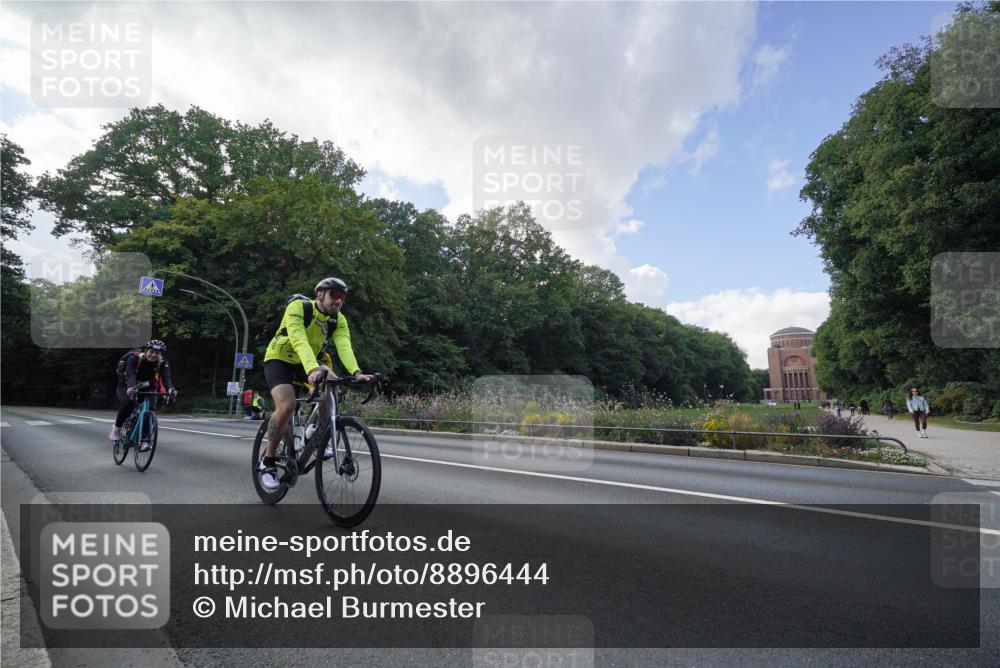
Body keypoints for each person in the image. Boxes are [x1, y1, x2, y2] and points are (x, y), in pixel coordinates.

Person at [258, 278, 374, 490]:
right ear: (319, 294)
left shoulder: (338, 320)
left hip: (310, 360)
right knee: (286, 406)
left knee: (333, 385)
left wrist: (356, 373)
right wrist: (312, 369)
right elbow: (298, 338)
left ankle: (317, 430)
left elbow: (344, 346)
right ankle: (268, 462)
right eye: (334, 295)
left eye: (343, 297)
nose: (339, 301)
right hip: (280, 358)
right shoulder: (298, 308)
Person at [109, 340, 177, 450]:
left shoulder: (163, 363)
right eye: (151, 351)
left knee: (149, 409)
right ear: (146, 351)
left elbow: (166, 377)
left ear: (160, 354)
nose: (154, 355)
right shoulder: (135, 358)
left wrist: (170, 389)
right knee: (129, 403)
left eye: (157, 353)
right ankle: (116, 428)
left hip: (146, 387)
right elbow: (131, 374)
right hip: (126, 385)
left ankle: (144, 441)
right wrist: (131, 387)